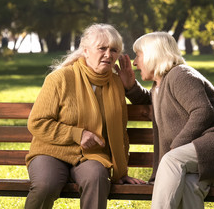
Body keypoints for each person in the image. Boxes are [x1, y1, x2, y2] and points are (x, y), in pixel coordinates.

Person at [116, 32, 214, 209]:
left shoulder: (180, 75)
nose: (134, 62)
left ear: (152, 55)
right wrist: (131, 86)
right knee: (189, 185)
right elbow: (155, 103)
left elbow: (202, 112)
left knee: (172, 160)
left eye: (138, 55)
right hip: (210, 158)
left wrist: (176, 146)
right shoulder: (160, 85)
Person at [25, 23, 146, 209]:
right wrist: (77, 134)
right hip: (50, 151)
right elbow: (37, 123)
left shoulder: (116, 83)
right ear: (85, 50)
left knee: (97, 178)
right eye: (102, 48)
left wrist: (120, 171)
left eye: (114, 50)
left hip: (91, 155)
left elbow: (120, 132)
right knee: (46, 185)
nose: (108, 54)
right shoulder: (60, 78)